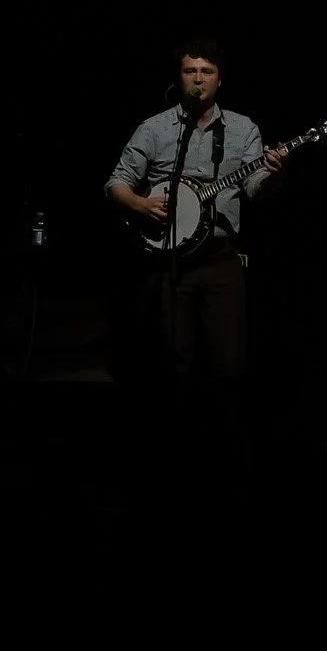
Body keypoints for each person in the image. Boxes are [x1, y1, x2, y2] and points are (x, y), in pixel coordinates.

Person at [105, 39, 290, 471]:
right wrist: (140, 205)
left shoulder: (242, 129)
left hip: (221, 260)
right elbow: (116, 183)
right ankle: (173, 458)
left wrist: (275, 176)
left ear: (219, 80)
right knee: (172, 363)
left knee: (229, 365)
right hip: (168, 262)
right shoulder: (155, 129)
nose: (198, 79)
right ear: (179, 78)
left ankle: (228, 460)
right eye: (191, 71)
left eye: (207, 72)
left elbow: (256, 190)